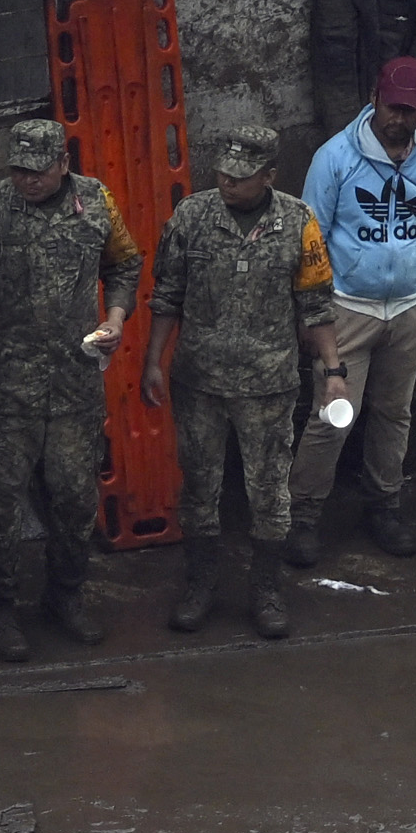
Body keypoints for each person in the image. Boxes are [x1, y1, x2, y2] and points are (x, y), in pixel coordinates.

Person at [0, 115, 138, 657]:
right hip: (7, 389)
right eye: (18, 170)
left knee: (76, 499)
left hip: (75, 384)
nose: (27, 180)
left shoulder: (95, 201)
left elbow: (124, 263)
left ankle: (66, 596)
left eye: (37, 171)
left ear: (62, 164)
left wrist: (118, 318)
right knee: (0, 504)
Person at [297, 55, 416, 557]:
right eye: (392, 107)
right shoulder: (335, 158)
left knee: (394, 412)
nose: (398, 119)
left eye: (409, 111)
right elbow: (312, 241)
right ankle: (303, 515)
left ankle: (384, 506)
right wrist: (316, 313)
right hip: (348, 309)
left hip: (414, 308)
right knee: (332, 414)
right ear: (374, 98)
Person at [158, 127, 312, 641]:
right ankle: (200, 583)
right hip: (200, 380)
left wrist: (332, 371)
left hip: (270, 383)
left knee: (268, 491)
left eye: (241, 177)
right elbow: (167, 295)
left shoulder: (298, 221)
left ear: (269, 175)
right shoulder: (191, 217)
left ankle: (266, 588)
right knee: (199, 485)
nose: (228, 183)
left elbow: (316, 301)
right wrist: (154, 361)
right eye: (223, 173)